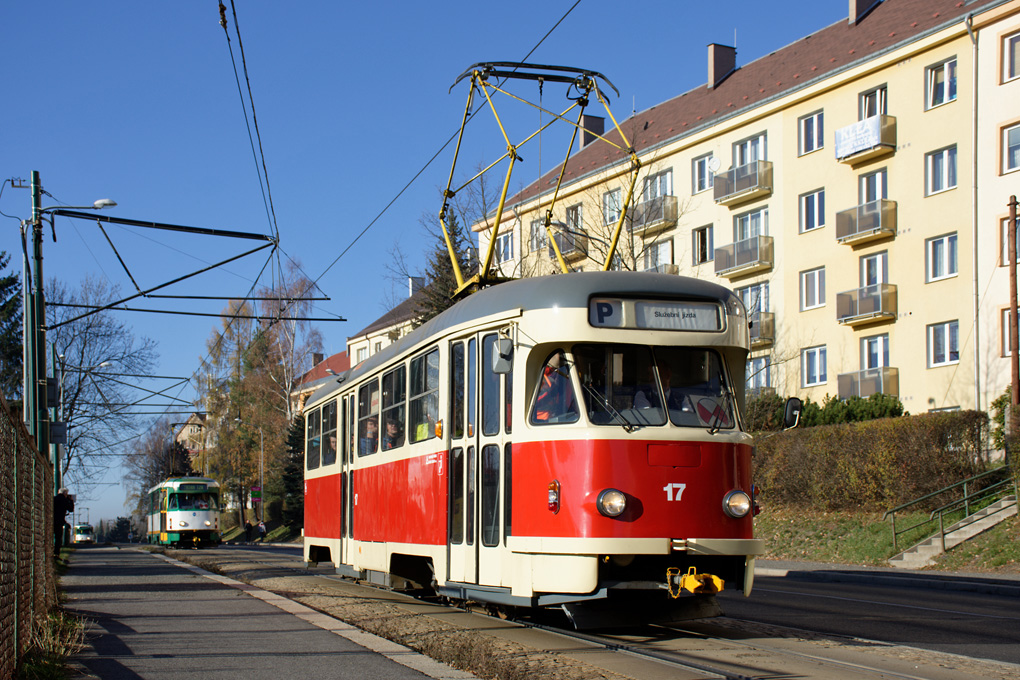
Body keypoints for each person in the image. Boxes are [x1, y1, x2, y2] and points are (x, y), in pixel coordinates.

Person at [53, 487, 74, 556]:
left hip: (52, 520)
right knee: (58, 537)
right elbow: (71, 509)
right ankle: (56, 553)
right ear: (65, 493)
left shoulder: (54, 499)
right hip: (60, 521)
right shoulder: (65, 500)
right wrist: (71, 501)